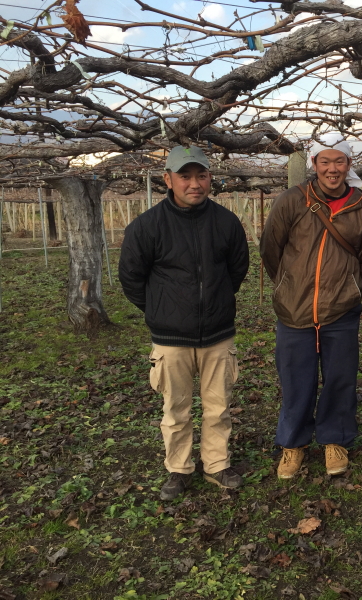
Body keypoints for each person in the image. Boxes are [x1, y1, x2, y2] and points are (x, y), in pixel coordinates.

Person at [119, 145, 250, 501]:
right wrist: (161, 309)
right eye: (185, 176)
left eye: (201, 175)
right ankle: (178, 469)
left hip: (218, 335)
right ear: (168, 180)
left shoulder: (226, 223)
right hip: (170, 338)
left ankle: (217, 464)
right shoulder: (146, 227)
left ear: (210, 178)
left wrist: (217, 301)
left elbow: (237, 269)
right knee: (175, 409)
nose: (195, 183)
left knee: (218, 406)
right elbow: (131, 278)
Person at [260, 133, 362, 480]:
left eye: (339, 161)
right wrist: (289, 286)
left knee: (340, 380)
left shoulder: (361, 207)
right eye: (325, 161)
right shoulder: (292, 201)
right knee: (296, 380)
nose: (332, 168)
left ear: (348, 165)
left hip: (341, 312)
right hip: (294, 311)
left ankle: (335, 439)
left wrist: (351, 290)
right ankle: (293, 444)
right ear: (314, 165)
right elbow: (272, 250)